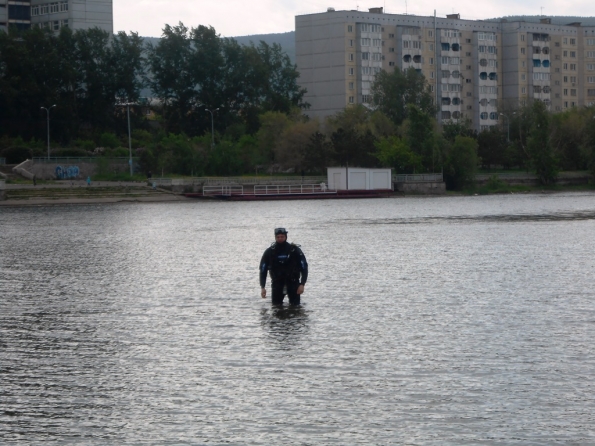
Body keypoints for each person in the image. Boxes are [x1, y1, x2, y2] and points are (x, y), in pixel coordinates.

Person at [260, 228, 308, 306]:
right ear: (275, 237)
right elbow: (263, 270)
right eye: (278, 237)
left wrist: (302, 284)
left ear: (286, 237)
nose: (280, 239)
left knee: (296, 308)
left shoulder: (295, 250)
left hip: (293, 283)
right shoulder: (269, 252)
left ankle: (295, 318)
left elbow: (304, 267)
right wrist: (263, 287)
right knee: (276, 308)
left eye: (282, 236)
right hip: (277, 283)